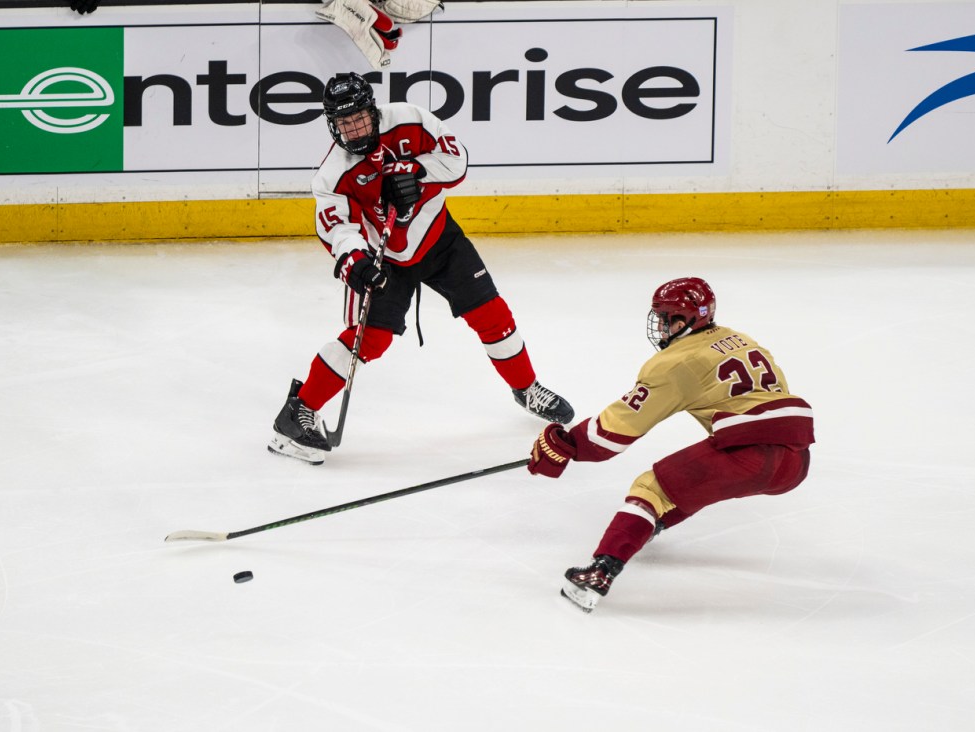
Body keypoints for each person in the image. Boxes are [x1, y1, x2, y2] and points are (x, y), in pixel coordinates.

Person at [269, 71, 574, 465]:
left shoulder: (410, 119)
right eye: (343, 123)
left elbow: (457, 160)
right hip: (385, 256)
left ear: (373, 111)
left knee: (491, 314)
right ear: (332, 124)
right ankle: (295, 417)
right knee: (369, 341)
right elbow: (336, 225)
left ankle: (527, 388)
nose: (354, 128)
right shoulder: (332, 173)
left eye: (359, 117)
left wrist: (415, 171)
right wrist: (356, 262)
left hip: (438, 237)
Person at [528, 277, 815, 612]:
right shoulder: (740, 339)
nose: (660, 327)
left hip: (748, 455)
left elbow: (614, 433)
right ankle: (649, 526)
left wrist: (565, 445)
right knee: (692, 482)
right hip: (797, 461)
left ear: (682, 322)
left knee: (651, 488)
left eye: (664, 319)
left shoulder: (675, 363)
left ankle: (599, 572)